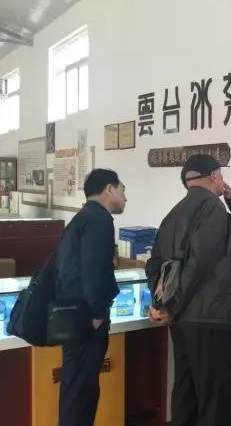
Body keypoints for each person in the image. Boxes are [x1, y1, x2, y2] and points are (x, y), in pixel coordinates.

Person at [146, 154, 231, 426]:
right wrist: (171, 306)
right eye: (221, 176)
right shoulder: (213, 209)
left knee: (186, 390)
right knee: (214, 396)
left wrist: (163, 305)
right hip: (210, 316)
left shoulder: (173, 213)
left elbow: (154, 264)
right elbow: (198, 264)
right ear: (214, 176)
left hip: (183, 320)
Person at [56, 169, 127, 426]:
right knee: (82, 392)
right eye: (122, 189)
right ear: (109, 188)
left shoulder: (84, 217)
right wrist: (97, 314)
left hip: (73, 315)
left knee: (76, 388)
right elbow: (93, 271)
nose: (125, 197)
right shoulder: (99, 219)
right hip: (86, 319)